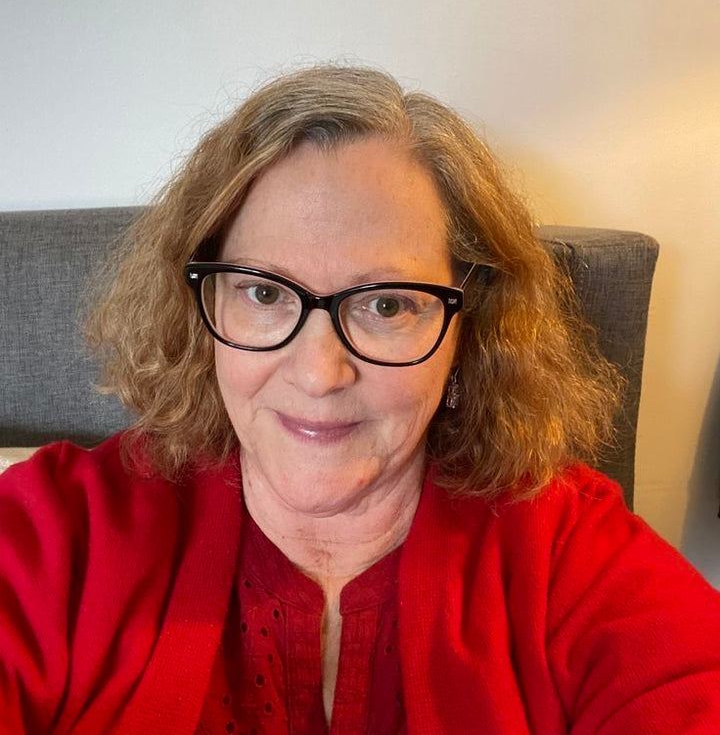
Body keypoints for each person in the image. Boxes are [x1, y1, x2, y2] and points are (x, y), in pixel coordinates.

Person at [1, 65, 719, 735]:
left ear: (470, 325)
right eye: (264, 293)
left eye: (387, 304)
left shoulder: (565, 553)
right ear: (202, 306)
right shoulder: (58, 532)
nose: (319, 374)